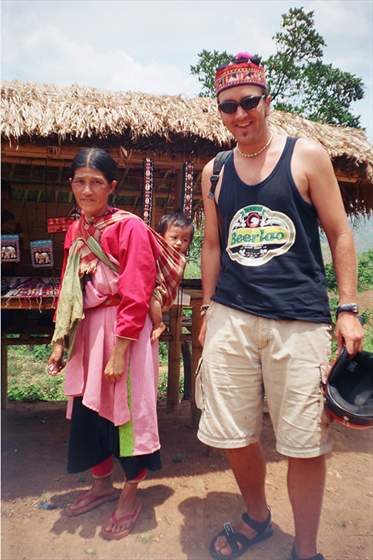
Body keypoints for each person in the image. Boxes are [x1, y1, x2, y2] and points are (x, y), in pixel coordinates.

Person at [196, 52, 364, 560]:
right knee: (232, 431)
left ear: (267, 101)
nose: (241, 114)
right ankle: (257, 518)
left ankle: (306, 550)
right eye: (229, 106)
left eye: (250, 102)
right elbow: (211, 246)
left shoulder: (305, 156)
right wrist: (206, 309)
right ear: (219, 111)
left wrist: (349, 308)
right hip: (232, 316)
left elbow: (339, 233)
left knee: (305, 441)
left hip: (300, 321)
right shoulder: (215, 171)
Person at [47, 148, 184, 540]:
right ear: (71, 184)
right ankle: (101, 486)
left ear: (111, 187)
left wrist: (121, 350)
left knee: (126, 412)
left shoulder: (130, 227)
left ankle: (130, 494)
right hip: (89, 332)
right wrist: (61, 342)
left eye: (95, 182)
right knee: (90, 413)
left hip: (126, 332)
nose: (86, 189)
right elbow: (69, 286)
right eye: (79, 181)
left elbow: (137, 291)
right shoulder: (77, 230)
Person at [149, 212, 194, 342]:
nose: (179, 243)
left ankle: (159, 324)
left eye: (185, 240)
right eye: (174, 238)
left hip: (161, 291)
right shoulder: (157, 248)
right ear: (161, 237)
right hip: (156, 283)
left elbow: (173, 276)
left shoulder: (180, 259)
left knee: (153, 297)